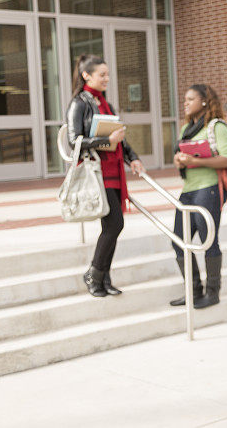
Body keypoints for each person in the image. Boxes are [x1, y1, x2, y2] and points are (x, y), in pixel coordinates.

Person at [66, 54, 144, 298]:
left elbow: (118, 135)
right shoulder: (79, 103)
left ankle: (103, 279)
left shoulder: (104, 102)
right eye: (102, 74)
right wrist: (104, 141)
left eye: (108, 74)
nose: (107, 78)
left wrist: (134, 157)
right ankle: (94, 273)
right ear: (86, 75)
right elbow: (74, 141)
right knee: (115, 224)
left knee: (111, 225)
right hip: (97, 171)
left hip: (114, 170)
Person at [169, 84, 227, 309]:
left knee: (208, 240)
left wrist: (196, 161)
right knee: (178, 240)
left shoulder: (216, 127)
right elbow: (182, 155)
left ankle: (213, 292)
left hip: (208, 189)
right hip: (188, 190)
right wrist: (180, 160)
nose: (185, 103)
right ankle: (193, 291)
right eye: (185, 99)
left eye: (190, 99)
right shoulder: (186, 128)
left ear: (204, 101)